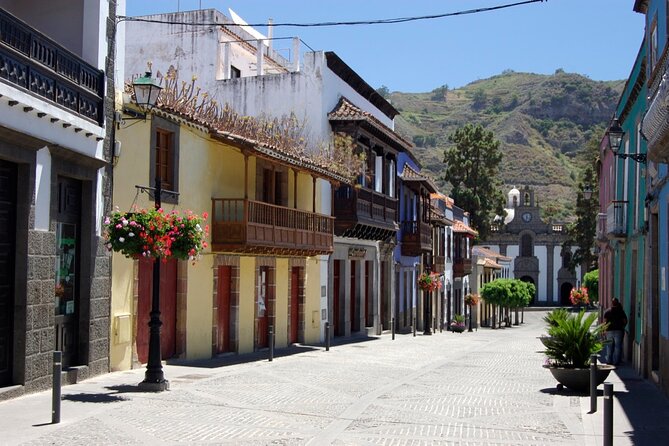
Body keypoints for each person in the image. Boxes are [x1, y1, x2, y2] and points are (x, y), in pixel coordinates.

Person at [603, 298, 628, 365]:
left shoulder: (607, 311)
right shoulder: (621, 311)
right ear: (618, 303)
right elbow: (625, 321)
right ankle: (616, 361)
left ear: (612, 303)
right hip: (618, 331)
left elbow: (605, 322)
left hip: (609, 331)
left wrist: (604, 330)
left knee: (609, 346)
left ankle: (609, 360)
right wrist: (623, 327)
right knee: (618, 346)